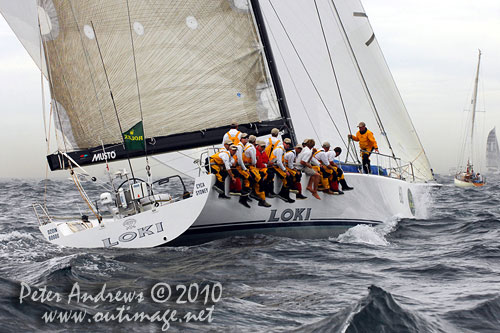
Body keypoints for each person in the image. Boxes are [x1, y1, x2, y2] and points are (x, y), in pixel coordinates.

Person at [246, 135, 272, 207]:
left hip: (249, 167)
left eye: (264, 147)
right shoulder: (253, 149)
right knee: (259, 181)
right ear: (255, 143)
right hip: (251, 168)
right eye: (262, 146)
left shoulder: (246, 147)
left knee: (263, 178)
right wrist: (266, 164)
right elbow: (256, 163)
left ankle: (260, 197)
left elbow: (264, 160)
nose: (263, 148)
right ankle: (255, 195)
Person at [268, 138, 295, 203]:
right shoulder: (280, 149)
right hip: (274, 166)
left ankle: (285, 193)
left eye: (289, 144)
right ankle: (283, 194)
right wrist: (285, 170)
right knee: (287, 177)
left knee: (290, 176)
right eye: (286, 143)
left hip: (278, 166)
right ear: (283, 143)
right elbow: (279, 162)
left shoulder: (283, 150)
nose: (288, 145)